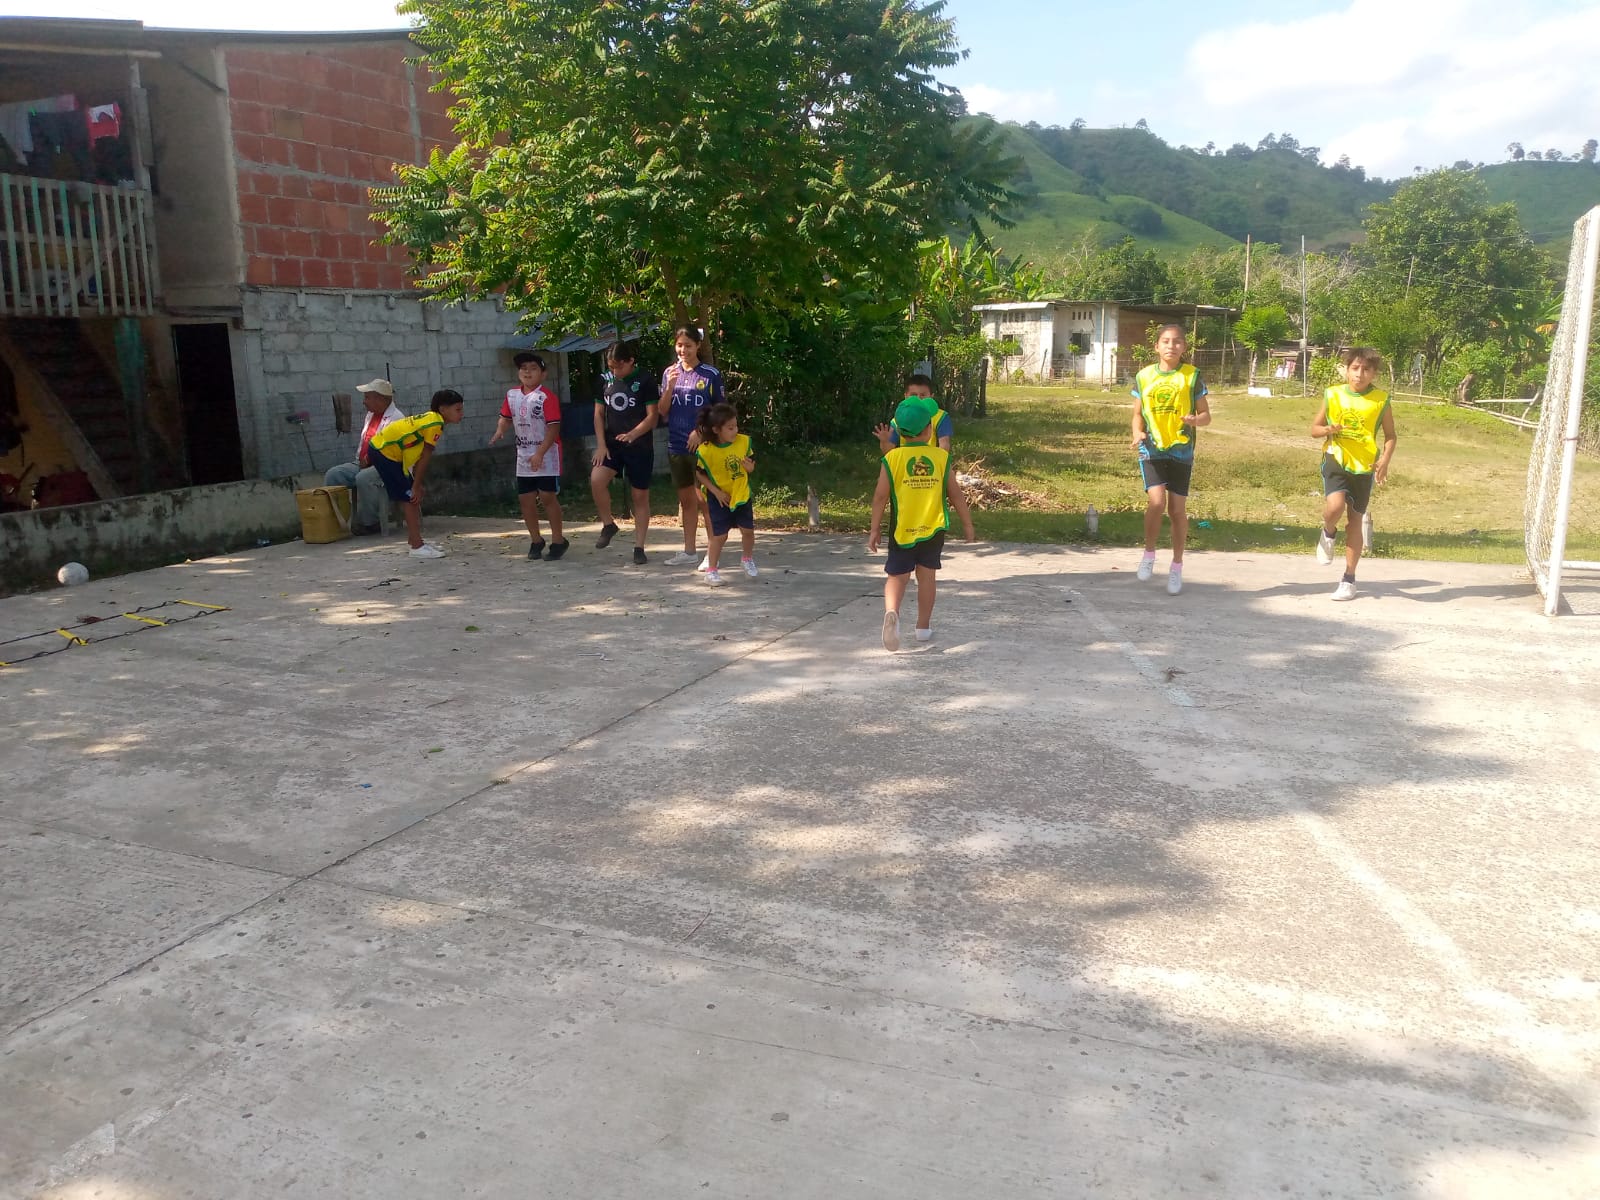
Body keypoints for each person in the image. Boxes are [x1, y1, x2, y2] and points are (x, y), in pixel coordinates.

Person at [868, 395, 975, 651]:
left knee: (897, 576)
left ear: (900, 432)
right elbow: (956, 494)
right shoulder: (940, 457)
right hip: (932, 529)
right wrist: (968, 525)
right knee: (926, 578)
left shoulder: (892, 459)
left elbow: (880, 497)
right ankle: (923, 628)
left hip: (902, 529)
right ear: (929, 430)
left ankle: (892, 612)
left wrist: (874, 529)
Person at [1131, 324, 1211, 596]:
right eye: (1165, 341)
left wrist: (1195, 420)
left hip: (1181, 450)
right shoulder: (1144, 377)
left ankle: (1176, 566)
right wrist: (1137, 432)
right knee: (1156, 503)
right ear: (1156, 346)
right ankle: (1149, 553)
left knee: (1177, 510)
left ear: (1184, 347)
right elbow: (1137, 414)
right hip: (1152, 448)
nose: (1171, 346)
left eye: (1177, 342)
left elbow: (1206, 416)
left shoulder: (1192, 376)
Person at [1312, 346, 1397, 601]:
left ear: (1374, 373)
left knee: (1355, 521)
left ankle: (1349, 579)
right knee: (1335, 507)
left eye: (1366, 369)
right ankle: (1328, 531)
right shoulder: (1333, 394)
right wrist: (1328, 429)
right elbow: (1314, 429)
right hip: (1336, 457)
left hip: (1364, 466)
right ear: (1347, 370)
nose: (1360, 374)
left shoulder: (1380, 400)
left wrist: (1384, 460)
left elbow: (1391, 436)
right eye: (1355, 368)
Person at [367, 389, 466, 559]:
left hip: (387, 451)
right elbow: (425, 458)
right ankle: (416, 547)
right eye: (458, 409)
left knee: (412, 495)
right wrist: (415, 485)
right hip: (383, 452)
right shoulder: (434, 424)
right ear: (443, 409)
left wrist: (416, 484)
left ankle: (415, 539)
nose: (461, 414)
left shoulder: (432, 419)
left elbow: (417, 454)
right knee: (410, 498)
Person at [490, 352, 568, 561]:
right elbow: (506, 417)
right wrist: (500, 430)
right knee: (525, 499)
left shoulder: (546, 397)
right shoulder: (512, 395)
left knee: (547, 497)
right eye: (523, 368)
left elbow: (553, 428)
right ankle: (536, 540)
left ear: (543, 374)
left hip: (547, 455)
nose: (527, 372)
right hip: (523, 455)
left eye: (533, 368)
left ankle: (558, 541)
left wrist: (540, 453)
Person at [657, 327, 723, 567]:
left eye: (688, 345)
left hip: (703, 447)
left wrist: (701, 431)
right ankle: (689, 551)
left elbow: (720, 412)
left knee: (705, 501)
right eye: (679, 345)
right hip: (676, 445)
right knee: (686, 500)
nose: (683, 350)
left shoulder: (710, 374)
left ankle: (712, 554)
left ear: (698, 346)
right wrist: (670, 387)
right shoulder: (669, 373)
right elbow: (662, 410)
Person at [590, 341, 658, 565]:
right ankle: (608, 524)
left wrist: (633, 434)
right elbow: (598, 414)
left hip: (639, 447)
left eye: (619, 367)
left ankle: (639, 546)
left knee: (639, 496)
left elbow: (652, 417)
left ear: (631, 361)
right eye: (611, 367)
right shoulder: (604, 380)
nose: (615, 371)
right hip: (612, 445)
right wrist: (601, 444)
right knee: (597, 480)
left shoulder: (645, 380)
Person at [323, 377, 403, 534]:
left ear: (380, 399)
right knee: (333, 475)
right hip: (362, 462)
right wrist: (363, 460)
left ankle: (371, 522)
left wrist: (369, 459)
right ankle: (336, 521)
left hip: (387, 465)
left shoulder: (396, 418)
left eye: (367, 397)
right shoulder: (371, 415)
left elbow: (391, 450)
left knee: (364, 478)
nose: (364, 402)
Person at [692, 402, 756, 587]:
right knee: (719, 536)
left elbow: (752, 465)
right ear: (716, 430)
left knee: (748, 531)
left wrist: (750, 468)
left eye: (736, 426)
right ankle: (711, 571)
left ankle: (747, 559)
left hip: (740, 494)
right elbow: (699, 474)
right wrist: (716, 492)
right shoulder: (706, 450)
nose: (735, 430)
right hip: (719, 498)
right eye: (730, 428)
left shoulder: (743, 442)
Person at [873, 372, 953, 454]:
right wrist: (884, 441)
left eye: (923, 395)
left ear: (931, 397)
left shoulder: (941, 417)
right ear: (905, 396)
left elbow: (944, 446)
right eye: (913, 395)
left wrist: (938, 459)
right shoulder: (898, 420)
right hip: (904, 460)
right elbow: (888, 452)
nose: (918, 398)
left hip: (931, 460)